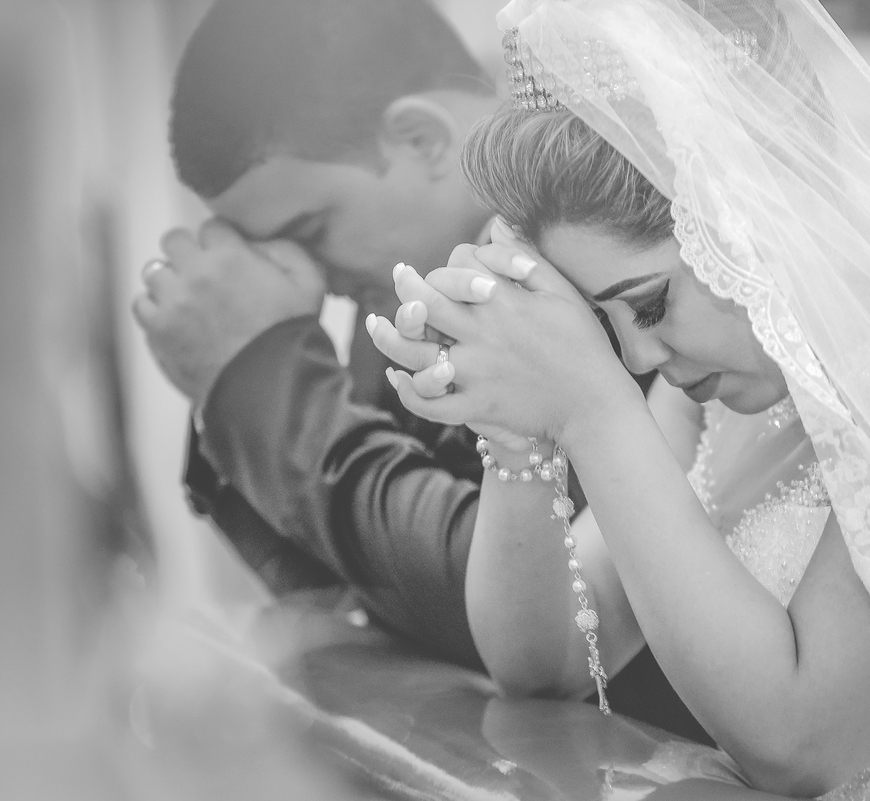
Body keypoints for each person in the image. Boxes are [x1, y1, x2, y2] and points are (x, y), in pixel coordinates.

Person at [367, 0, 870, 797]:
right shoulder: (716, 396)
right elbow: (540, 662)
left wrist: (591, 407)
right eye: (601, 322)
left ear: (746, 215)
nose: (638, 357)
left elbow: (802, 744)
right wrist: (517, 431)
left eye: (649, 305)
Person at [132, 0, 712, 744]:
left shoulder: (607, 255)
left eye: (310, 230)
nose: (313, 277)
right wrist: (236, 377)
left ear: (421, 139)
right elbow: (354, 600)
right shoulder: (399, 293)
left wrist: (259, 375)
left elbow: (506, 608)